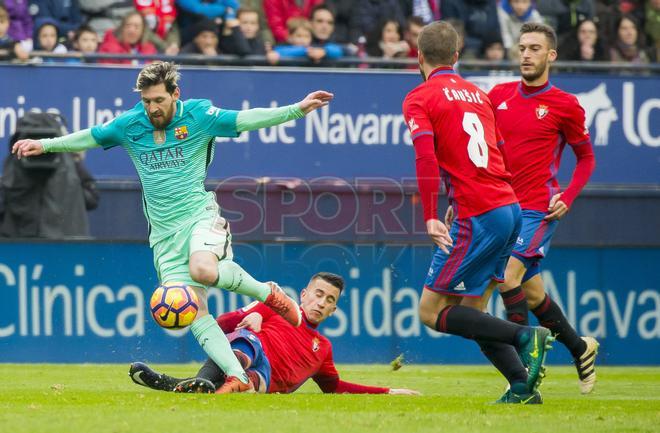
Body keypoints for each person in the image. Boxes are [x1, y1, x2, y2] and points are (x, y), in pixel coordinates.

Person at [12, 61, 334, 394]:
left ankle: (267, 294)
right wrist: (46, 144)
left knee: (203, 269)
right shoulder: (131, 125)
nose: (152, 108)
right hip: (163, 237)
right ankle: (236, 375)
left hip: (200, 218)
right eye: (146, 101)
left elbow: (246, 119)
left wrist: (297, 110)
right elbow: (91, 137)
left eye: (158, 101)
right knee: (193, 310)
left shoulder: (199, 116)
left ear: (175, 94)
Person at [402, 21, 554, 404]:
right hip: (509, 206)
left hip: (478, 213)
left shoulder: (419, 97)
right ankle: (522, 387)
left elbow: (425, 158)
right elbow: (497, 152)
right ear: (456, 57)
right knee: (473, 309)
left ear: (418, 56)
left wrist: (432, 214)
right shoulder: (478, 95)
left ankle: (525, 336)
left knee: (431, 311)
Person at [487, 22, 598, 395]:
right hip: (502, 209)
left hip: (537, 209)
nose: (525, 55)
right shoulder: (498, 96)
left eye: (534, 48)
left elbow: (586, 158)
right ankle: (581, 348)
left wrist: (568, 196)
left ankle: (523, 376)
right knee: (533, 296)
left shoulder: (565, 105)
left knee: (507, 277)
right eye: (521, 48)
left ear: (550, 55)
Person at [130, 272, 420, 395]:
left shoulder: (324, 349)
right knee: (245, 343)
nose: (322, 303)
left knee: (252, 378)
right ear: (304, 295)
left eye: (330, 300)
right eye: (318, 294)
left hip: (264, 382)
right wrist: (252, 312)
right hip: (243, 354)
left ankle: (189, 385)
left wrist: (387, 391)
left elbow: (335, 388)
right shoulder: (276, 306)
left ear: (334, 310)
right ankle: (205, 385)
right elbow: (219, 326)